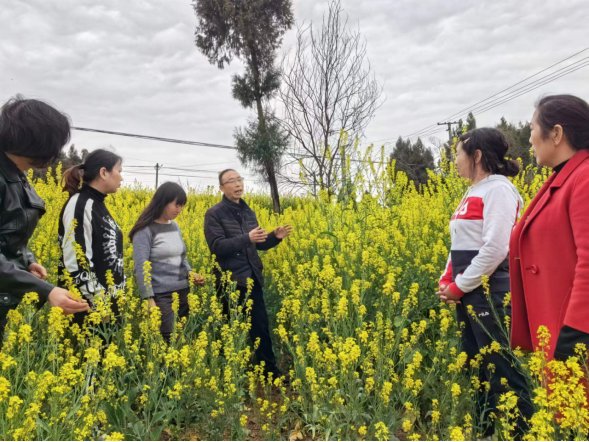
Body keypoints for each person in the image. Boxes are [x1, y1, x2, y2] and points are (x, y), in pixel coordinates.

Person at [437, 128, 533, 438]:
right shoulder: (474, 190)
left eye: (458, 154)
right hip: (470, 290)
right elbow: (462, 243)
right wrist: (447, 279)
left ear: (476, 156)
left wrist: (460, 285)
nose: (455, 161)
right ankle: (486, 429)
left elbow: (495, 248)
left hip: (490, 292)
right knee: (480, 366)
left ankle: (525, 431)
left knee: (501, 368)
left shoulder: (499, 190)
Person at [0, 96, 89, 340]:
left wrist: (26, 259)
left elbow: (9, 233)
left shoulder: (18, 175)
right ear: (32, 141)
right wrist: (46, 291)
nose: (54, 153)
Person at [510, 94, 589, 362]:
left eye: (532, 129)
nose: (530, 139)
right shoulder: (562, 178)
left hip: (574, 336)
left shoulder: (584, 178)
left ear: (556, 133)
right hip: (554, 326)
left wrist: (577, 332)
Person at [204, 169, 292, 377]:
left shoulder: (248, 212)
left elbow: (257, 243)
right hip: (230, 281)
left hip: (252, 277)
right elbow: (216, 246)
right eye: (231, 181)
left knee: (260, 327)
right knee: (228, 327)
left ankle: (269, 371)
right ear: (222, 188)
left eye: (239, 179)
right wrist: (247, 238)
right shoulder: (214, 213)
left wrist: (274, 237)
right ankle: (228, 373)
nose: (237, 184)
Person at [130, 182, 205, 342]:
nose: (179, 210)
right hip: (162, 296)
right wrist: (149, 299)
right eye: (176, 205)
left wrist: (190, 272)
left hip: (184, 293)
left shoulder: (175, 226)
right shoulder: (145, 230)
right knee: (168, 342)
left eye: (182, 206)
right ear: (163, 201)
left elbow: (181, 257)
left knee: (182, 340)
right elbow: (140, 267)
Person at [58, 149, 125, 325]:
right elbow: (76, 261)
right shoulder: (80, 204)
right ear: (104, 173)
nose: (121, 178)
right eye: (119, 171)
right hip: (90, 310)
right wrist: (100, 304)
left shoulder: (98, 204)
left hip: (107, 306)